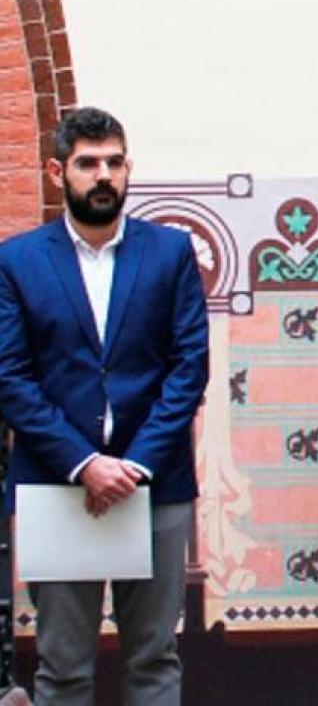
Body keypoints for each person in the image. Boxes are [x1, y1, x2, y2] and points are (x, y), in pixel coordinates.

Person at [0, 107, 210, 706]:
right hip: (56, 485)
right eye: (88, 163)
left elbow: (188, 367)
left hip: (156, 484)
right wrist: (84, 463)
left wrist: (134, 464)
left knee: (154, 659)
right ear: (56, 171)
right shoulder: (16, 262)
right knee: (62, 669)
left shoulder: (170, 254)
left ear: (128, 169)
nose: (103, 175)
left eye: (114, 163)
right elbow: (11, 378)